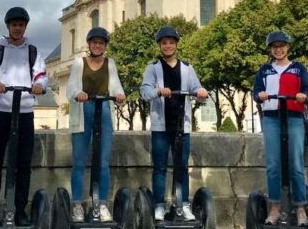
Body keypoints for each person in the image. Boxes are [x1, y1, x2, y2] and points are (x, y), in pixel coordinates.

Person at [0, 7, 48, 226]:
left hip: (25, 111)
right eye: (14, 25)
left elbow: (41, 75)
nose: (18, 28)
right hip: (1, 110)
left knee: (24, 162)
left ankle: (19, 208)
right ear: (8, 26)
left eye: (21, 24)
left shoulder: (33, 51)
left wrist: (38, 85)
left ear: (25, 26)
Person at [140, 26, 209, 222]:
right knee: (160, 167)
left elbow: (197, 88)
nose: (168, 46)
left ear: (176, 45)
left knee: (182, 166)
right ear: (160, 46)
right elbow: (144, 92)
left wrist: (201, 91)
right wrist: (158, 91)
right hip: (161, 126)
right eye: (164, 43)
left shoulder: (187, 68)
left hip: (182, 125)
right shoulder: (153, 68)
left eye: (171, 42)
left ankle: (183, 204)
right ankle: (159, 205)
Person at [252, 31, 308, 226]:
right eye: (275, 47)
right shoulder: (265, 70)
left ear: (288, 47)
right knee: (273, 165)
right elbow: (256, 92)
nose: (278, 50)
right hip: (272, 118)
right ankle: (275, 207)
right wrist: (260, 95)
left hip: (294, 116)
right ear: (271, 50)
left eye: (282, 46)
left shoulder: (298, 68)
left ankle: (300, 208)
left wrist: (304, 96)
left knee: (296, 164)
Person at [65, 27, 126, 222]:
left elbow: (115, 85)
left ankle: (102, 205)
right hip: (83, 111)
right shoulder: (78, 63)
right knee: (79, 161)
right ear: (89, 44)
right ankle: (77, 205)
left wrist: (119, 95)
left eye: (101, 43)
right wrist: (78, 94)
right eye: (94, 42)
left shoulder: (110, 64)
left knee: (103, 162)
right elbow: (71, 87)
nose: (97, 45)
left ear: (105, 46)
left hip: (104, 111)